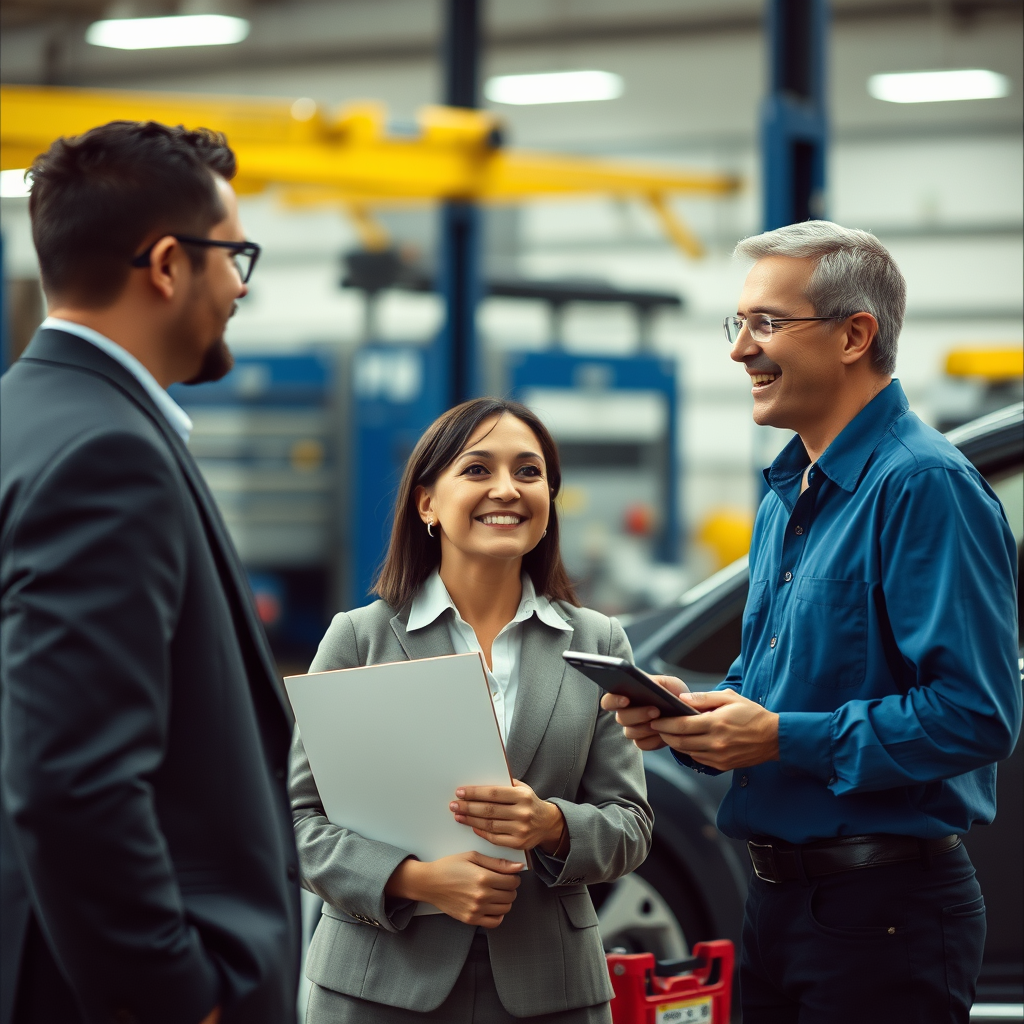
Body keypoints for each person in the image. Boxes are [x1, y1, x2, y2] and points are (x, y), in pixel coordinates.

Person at [604, 221, 1021, 1023]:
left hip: (883, 916)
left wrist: (779, 738)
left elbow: (977, 715)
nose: (739, 351)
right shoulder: (787, 497)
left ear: (854, 335)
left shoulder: (924, 489)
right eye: (740, 324)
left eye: (767, 323)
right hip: (776, 909)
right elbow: (776, 686)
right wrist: (696, 714)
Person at [0, 122, 301, 1024]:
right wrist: (177, 997)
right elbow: (71, 781)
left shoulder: (24, 418)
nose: (240, 285)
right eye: (233, 255)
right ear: (168, 263)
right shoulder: (107, 456)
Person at [289, 397, 653, 1023]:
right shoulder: (359, 638)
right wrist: (413, 879)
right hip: (376, 986)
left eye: (529, 472)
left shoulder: (599, 642)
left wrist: (551, 825)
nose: (507, 490)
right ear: (427, 502)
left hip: (551, 991)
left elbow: (632, 825)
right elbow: (295, 823)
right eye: (478, 469)